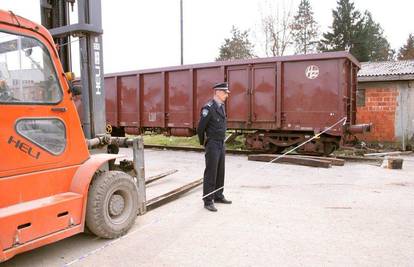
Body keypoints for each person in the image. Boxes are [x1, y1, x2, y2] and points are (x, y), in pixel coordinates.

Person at [197, 82, 232, 212]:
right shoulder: (208, 108)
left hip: (221, 142)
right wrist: (204, 143)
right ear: (217, 92)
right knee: (211, 172)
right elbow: (200, 128)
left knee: (220, 171)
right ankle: (208, 200)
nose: (227, 95)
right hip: (212, 143)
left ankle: (218, 195)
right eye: (225, 93)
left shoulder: (221, 106)